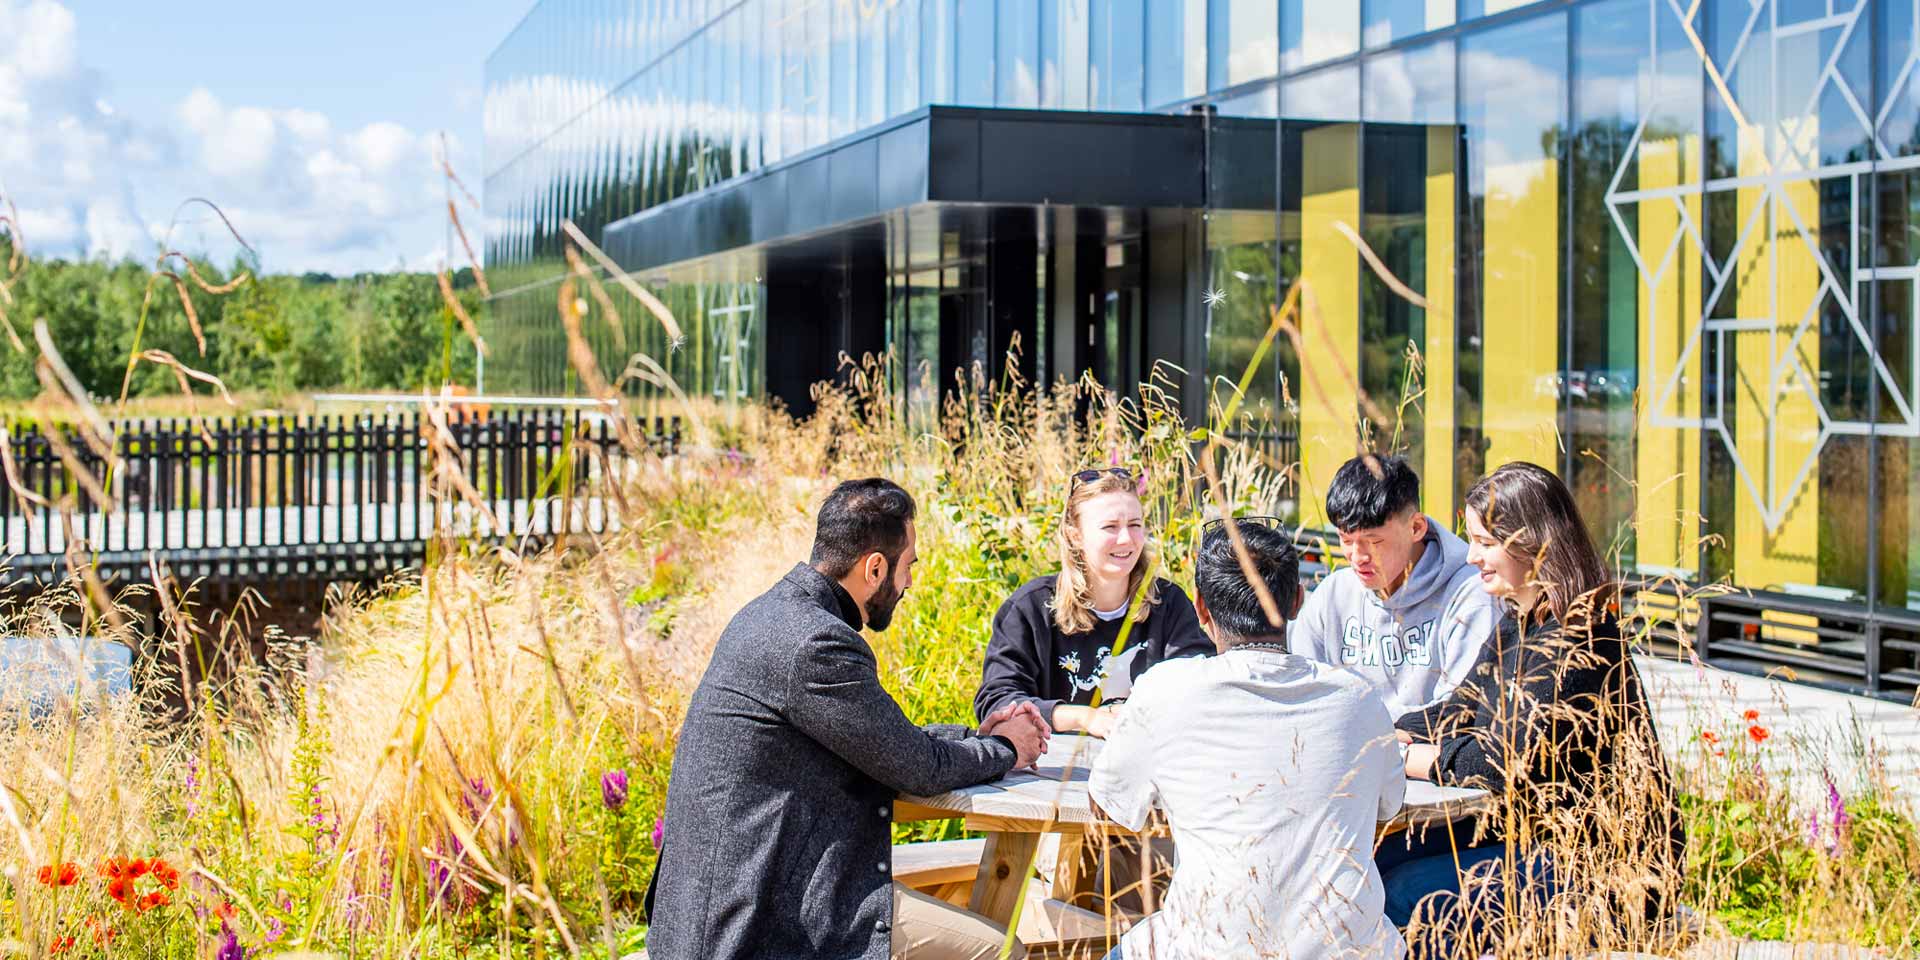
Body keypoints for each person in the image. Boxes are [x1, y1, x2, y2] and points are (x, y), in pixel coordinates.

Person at [647, 478, 1051, 960]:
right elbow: (915, 767)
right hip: (756, 924)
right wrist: (1007, 749)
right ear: (875, 567)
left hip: (712, 908)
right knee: (1004, 951)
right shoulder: (816, 644)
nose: (908, 585)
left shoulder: (770, 615)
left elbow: (882, 740)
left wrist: (977, 736)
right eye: (908, 568)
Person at [1383, 462, 1683, 945]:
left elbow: (1499, 765)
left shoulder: (1580, 637)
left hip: (1604, 866)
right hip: (1535, 837)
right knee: (1379, 857)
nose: (1472, 556)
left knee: (1407, 894)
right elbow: (1459, 707)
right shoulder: (1520, 622)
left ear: (1533, 542)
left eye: (1485, 542)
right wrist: (1386, 729)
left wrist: (1409, 759)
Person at [1089, 517, 1408, 960]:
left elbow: (1109, 802)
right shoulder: (1359, 699)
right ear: (1298, 601)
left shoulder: (1164, 691)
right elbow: (1389, 806)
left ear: (1200, 609)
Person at [975, 467, 1212, 738]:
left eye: (1135, 525)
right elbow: (997, 701)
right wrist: (1084, 718)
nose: (1126, 539)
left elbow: (1201, 687)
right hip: (1053, 770)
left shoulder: (1169, 603)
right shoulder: (1030, 609)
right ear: (1075, 535)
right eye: (1110, 527)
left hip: (1149, 762)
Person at [1289, 453, 1499, 725]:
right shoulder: (1334, 595)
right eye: (1346, 540)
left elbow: (1462, 714)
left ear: (1416, 527)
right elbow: (1299, 692)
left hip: (1428, 759)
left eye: (1373, 541)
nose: (1357, 556)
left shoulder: (1471, 594)